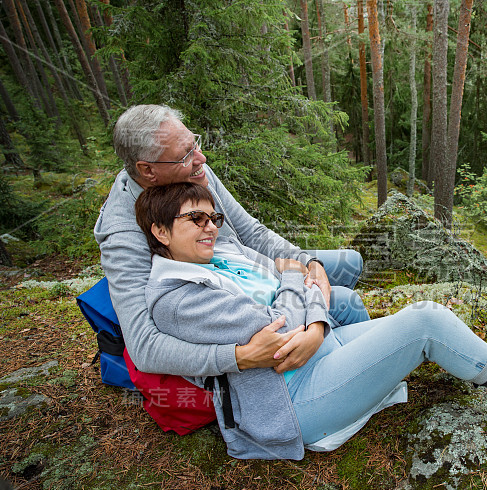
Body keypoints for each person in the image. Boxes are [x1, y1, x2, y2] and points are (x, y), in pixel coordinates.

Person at [136, 182, 487, 460]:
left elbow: (298, 297)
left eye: (213, 216)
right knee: (424, 322)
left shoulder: (216, 259)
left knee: (418, 319)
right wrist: (295, 284)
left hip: (318, 355)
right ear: (160, 232)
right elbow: (277, 332)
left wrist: (307, 299)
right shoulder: (179, 297)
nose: (211, 226)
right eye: (194, 220)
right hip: (292, 400)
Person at [95, 104, 367, 383]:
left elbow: (252, 232)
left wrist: (307, 261)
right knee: (340, 298)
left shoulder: (195, 172)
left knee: (350, 264)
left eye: (195, 144)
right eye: (185, 155)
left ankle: (335, 336)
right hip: (235, 309)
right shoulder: (122, 233)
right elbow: (144, 346)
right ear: (148, 170)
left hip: (251, 272)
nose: (200, 158)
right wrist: (239, 356)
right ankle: (338, 364)